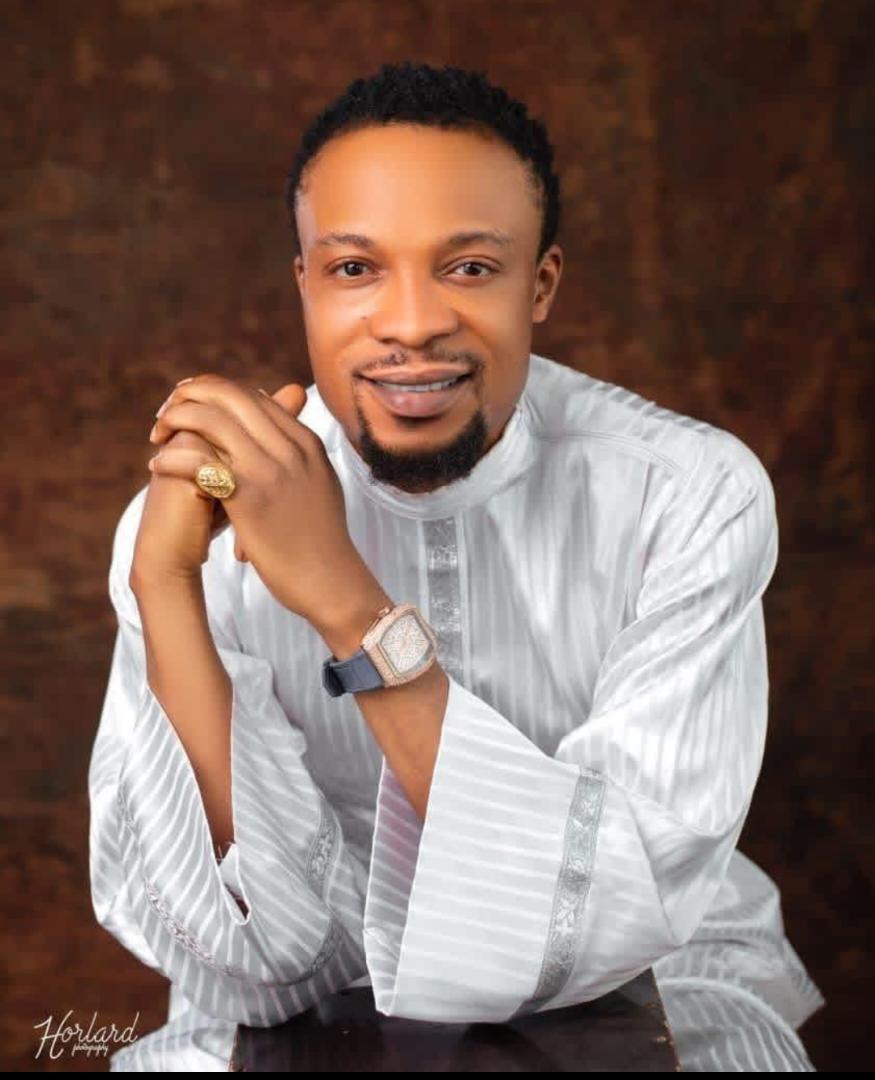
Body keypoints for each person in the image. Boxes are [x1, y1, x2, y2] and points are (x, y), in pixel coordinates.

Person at [88, 61, 826, 1071]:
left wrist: (345, 602)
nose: (410, 323)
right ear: (305, 282)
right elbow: (252, 958)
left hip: (661, 977)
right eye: (355, 268)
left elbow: (609, 913)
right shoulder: (192, 521)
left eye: (469, 267)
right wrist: (161, 587)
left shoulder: (687, 495)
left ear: (541, 284)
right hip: (310, 999)